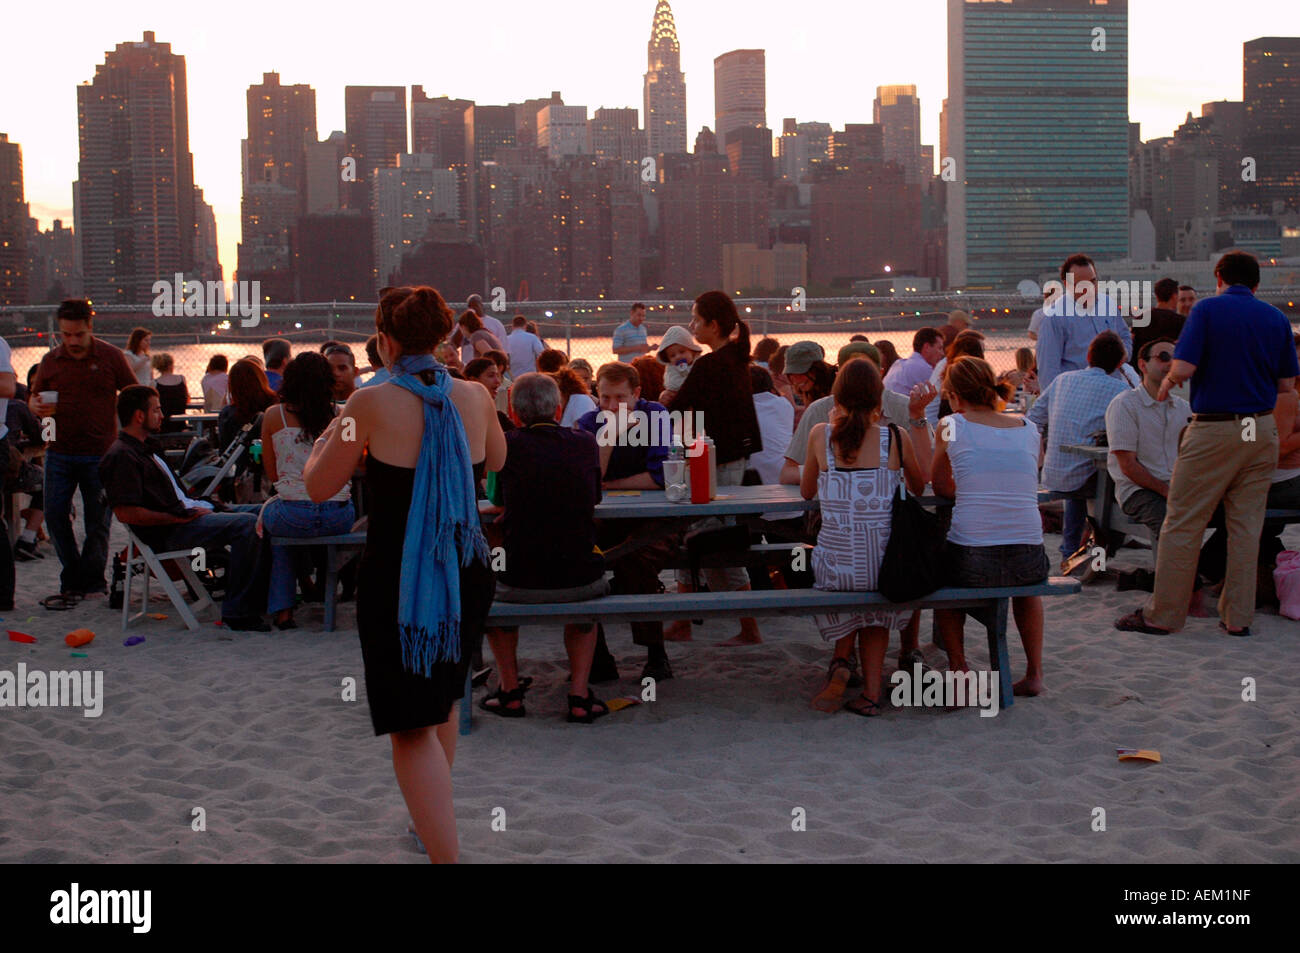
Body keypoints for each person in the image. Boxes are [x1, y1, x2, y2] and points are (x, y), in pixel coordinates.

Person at [303, 285, 502, 865]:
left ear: (384, 341)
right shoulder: (473, 395)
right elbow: (498, 464)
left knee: (409, 726)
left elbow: (318, 485)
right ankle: (428, 828)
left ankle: (446, 856)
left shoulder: (369, 402)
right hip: (465, 568)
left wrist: (328, 439)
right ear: (442, 337)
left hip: (401, 576)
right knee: (439, 701)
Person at [1116, 252, 1299, 637]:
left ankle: (1162, 615)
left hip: (1216, 427)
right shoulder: (1277, 318)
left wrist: (1166, 384)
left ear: (1219, 278)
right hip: (1260, 428)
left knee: (1182, 521)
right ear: (1256, 284)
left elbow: (1182, 369)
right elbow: (1286, 386)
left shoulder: (1207, 311)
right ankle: (1237, 619)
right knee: (1246, 526)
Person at [802, 358, 927, 716]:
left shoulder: (820, 436)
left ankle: (841, 666)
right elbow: (919, 486)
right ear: (879, 400)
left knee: (852, 578)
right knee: (874, 600)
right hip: (885, 566)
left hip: (835, 569)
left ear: (836, 398)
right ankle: (872, 693)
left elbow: (807, 492)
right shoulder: (895, 437)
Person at [481, 373, 609, 720]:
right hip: (580, 576)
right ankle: (579, 696)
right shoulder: (585, 444)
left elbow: (494, 498)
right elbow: (594, 497)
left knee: (492, 587)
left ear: (515, 410)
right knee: (584, 605)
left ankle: (509, 691)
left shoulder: (506, 444)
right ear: (558, 407)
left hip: (518, 578)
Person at [923, 357, 1050, 695]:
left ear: (953, 396)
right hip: (1030, 558)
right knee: (1028, 592)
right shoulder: (1028, 427)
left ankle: (960, 668)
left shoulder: (951, 425)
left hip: (974, 560)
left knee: (945, 586)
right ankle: (1035, 673)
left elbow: (940, 487)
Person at [99, 386, 270, 630]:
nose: (162, 415)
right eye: (156, 410)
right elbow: (126, 513)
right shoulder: (122, 456)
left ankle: (267, 597)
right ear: (139, 416)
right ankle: (239, 612)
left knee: (265, 512)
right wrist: (178, 517)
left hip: (185, 514)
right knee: (247, 525)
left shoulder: (145, 447)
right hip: (170, 531)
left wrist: (196, 507)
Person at [663, 290, 764, 646]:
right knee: (698, 534)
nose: (692, 326)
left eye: (696, 320)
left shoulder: (712, 364)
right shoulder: (735, 359)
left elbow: (684, 408)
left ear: (714, 325)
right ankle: (685, 619)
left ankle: (748, 629)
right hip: (728, 457)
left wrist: (663, 404)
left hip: (717, 463)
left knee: (711, 539)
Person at [29, 300, 137, 606]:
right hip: (58, 451)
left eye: (78, 334)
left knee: (98, 522)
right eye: (66, 335)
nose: (72, 341)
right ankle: (73, 576)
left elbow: (134, 394)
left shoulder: (110, 356)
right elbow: (34, 398)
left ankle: (92, 581)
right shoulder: (51, 360)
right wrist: (35, 407)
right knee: (54, 516)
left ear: (90, 327)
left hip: (101, 452)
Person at [576, 362, 675, 681]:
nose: (610, 406)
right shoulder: (589, 422)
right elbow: (589, 480)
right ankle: (599, 657)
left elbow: (661, 476)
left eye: (619, 398)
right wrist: (608, 436)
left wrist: (612, 485)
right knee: (580, 560)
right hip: (604, 521)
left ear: (636, 394)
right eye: (604, 397)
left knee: (636, 558)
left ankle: (656, 654)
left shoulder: (655, 414)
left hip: (653, 520)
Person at [260, 353, 355, 630]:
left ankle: (284, 611)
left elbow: (273, 474)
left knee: (275, 529)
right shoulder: (342, 415)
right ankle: (325, 588)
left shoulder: (273, 416)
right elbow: (353, 462)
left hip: (292, 514)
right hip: (337, 514)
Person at [1027, 331, 1131, 572]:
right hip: (1086, 476)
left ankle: (1071, 549)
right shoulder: (1119, 391)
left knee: (1079, 484)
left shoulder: (1062, 380)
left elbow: (1033, 418)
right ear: (1119, 363)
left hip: (1053, 470)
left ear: (1088, 356)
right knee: (1114, 474)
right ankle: (1091, 550)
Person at [1105, 338, 1192, 572]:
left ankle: (1206, 573)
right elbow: (1129, 467)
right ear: (1142, 365)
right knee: (1169, 520)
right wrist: (1167, 491)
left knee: (1232, 513)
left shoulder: (1184, 408)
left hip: (1176, 485)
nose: (1170, 363)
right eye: (1163, 357)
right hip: (1138, 490)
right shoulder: (1125, 405)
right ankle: (1183, 592)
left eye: (1175, 358)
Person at [779, 344, 915, 486]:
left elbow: (924, 476)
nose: (859, 382)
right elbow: (788, 473)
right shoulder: (818, 410)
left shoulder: (905, 408)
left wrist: (831, 472)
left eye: (866, 376)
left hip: (847, 505)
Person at [1036, 253, 1133, 392]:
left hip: (1113, 392)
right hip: (1077, 397)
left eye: (1093, 281)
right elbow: (1048, 370)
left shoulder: (1107, 304)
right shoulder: (1055, 317)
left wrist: (1123, 355)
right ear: (1066, 284)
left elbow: (1125, 336)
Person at [924, 329, 985, 426]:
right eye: (979, 350)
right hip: (937, 424)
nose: (982, 355)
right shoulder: (956, 369)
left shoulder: (948, 364)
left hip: (942, 422)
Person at [218, 358, 278, 449]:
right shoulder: (275, 406)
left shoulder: (228, 415)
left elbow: (224, 446)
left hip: (238, 460)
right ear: (261, 379)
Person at [1130, 277, 1185, 369]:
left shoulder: (1141, 318)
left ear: (1156, 295)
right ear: (1174, 296)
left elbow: (1133, 347)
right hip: (1171, 369)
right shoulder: (1180, 321)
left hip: (1144, 370)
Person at [882, 327, 944, 396]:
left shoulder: (898, 364)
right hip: (901, 405)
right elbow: (942, 394)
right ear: (927, 347)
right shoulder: (923, 368)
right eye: (940, 348)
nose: (942, 353)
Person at [782, 341, 837, 414]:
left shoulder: (838, 386)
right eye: (792, 374)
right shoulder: (810, 390)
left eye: (801, 373)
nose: (796, 380)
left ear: (817, 369)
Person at [464, 357, 513, 433]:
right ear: (474, 380)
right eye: (491, 376)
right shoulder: (463, 417)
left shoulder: (499, 418)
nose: (498, 381)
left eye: (497, 376)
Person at [656, 325, 703, 400]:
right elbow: (670, 384)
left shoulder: (700, 364)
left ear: (692, 351)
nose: (678, 357)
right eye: (672, 355)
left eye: (682, 352)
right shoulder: (671, 369)